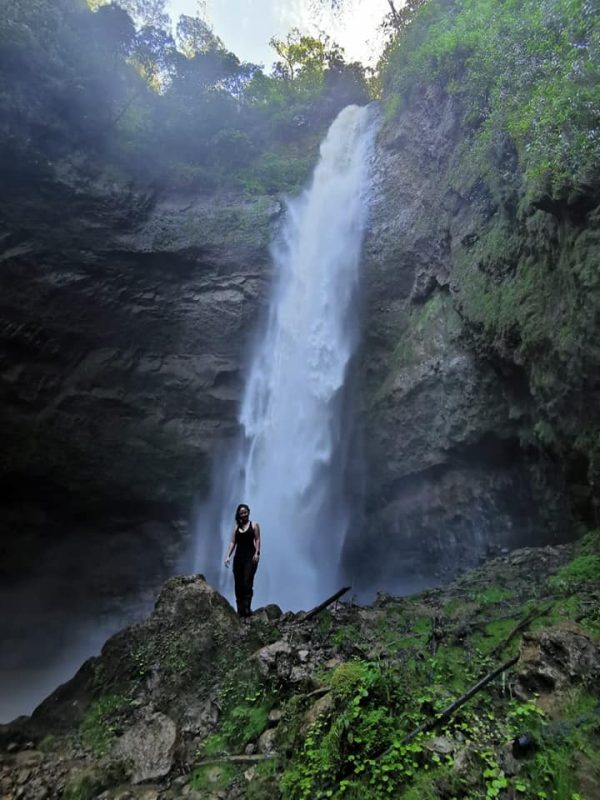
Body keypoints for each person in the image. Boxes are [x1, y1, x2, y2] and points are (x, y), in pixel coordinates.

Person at [224, 504, 261, 617]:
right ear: (239, 514)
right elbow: (233, 542)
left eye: (245, 512)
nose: (244, 514)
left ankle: (247, 608)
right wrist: (227, 556)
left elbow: (258, 539)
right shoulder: (237, 527)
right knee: (238, 584)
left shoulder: (254, 525)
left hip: (250, 557)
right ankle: (240, 610)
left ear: (248, 512)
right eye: (241, 513)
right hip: (238, 558)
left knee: (247, 582)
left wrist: (257, 553)